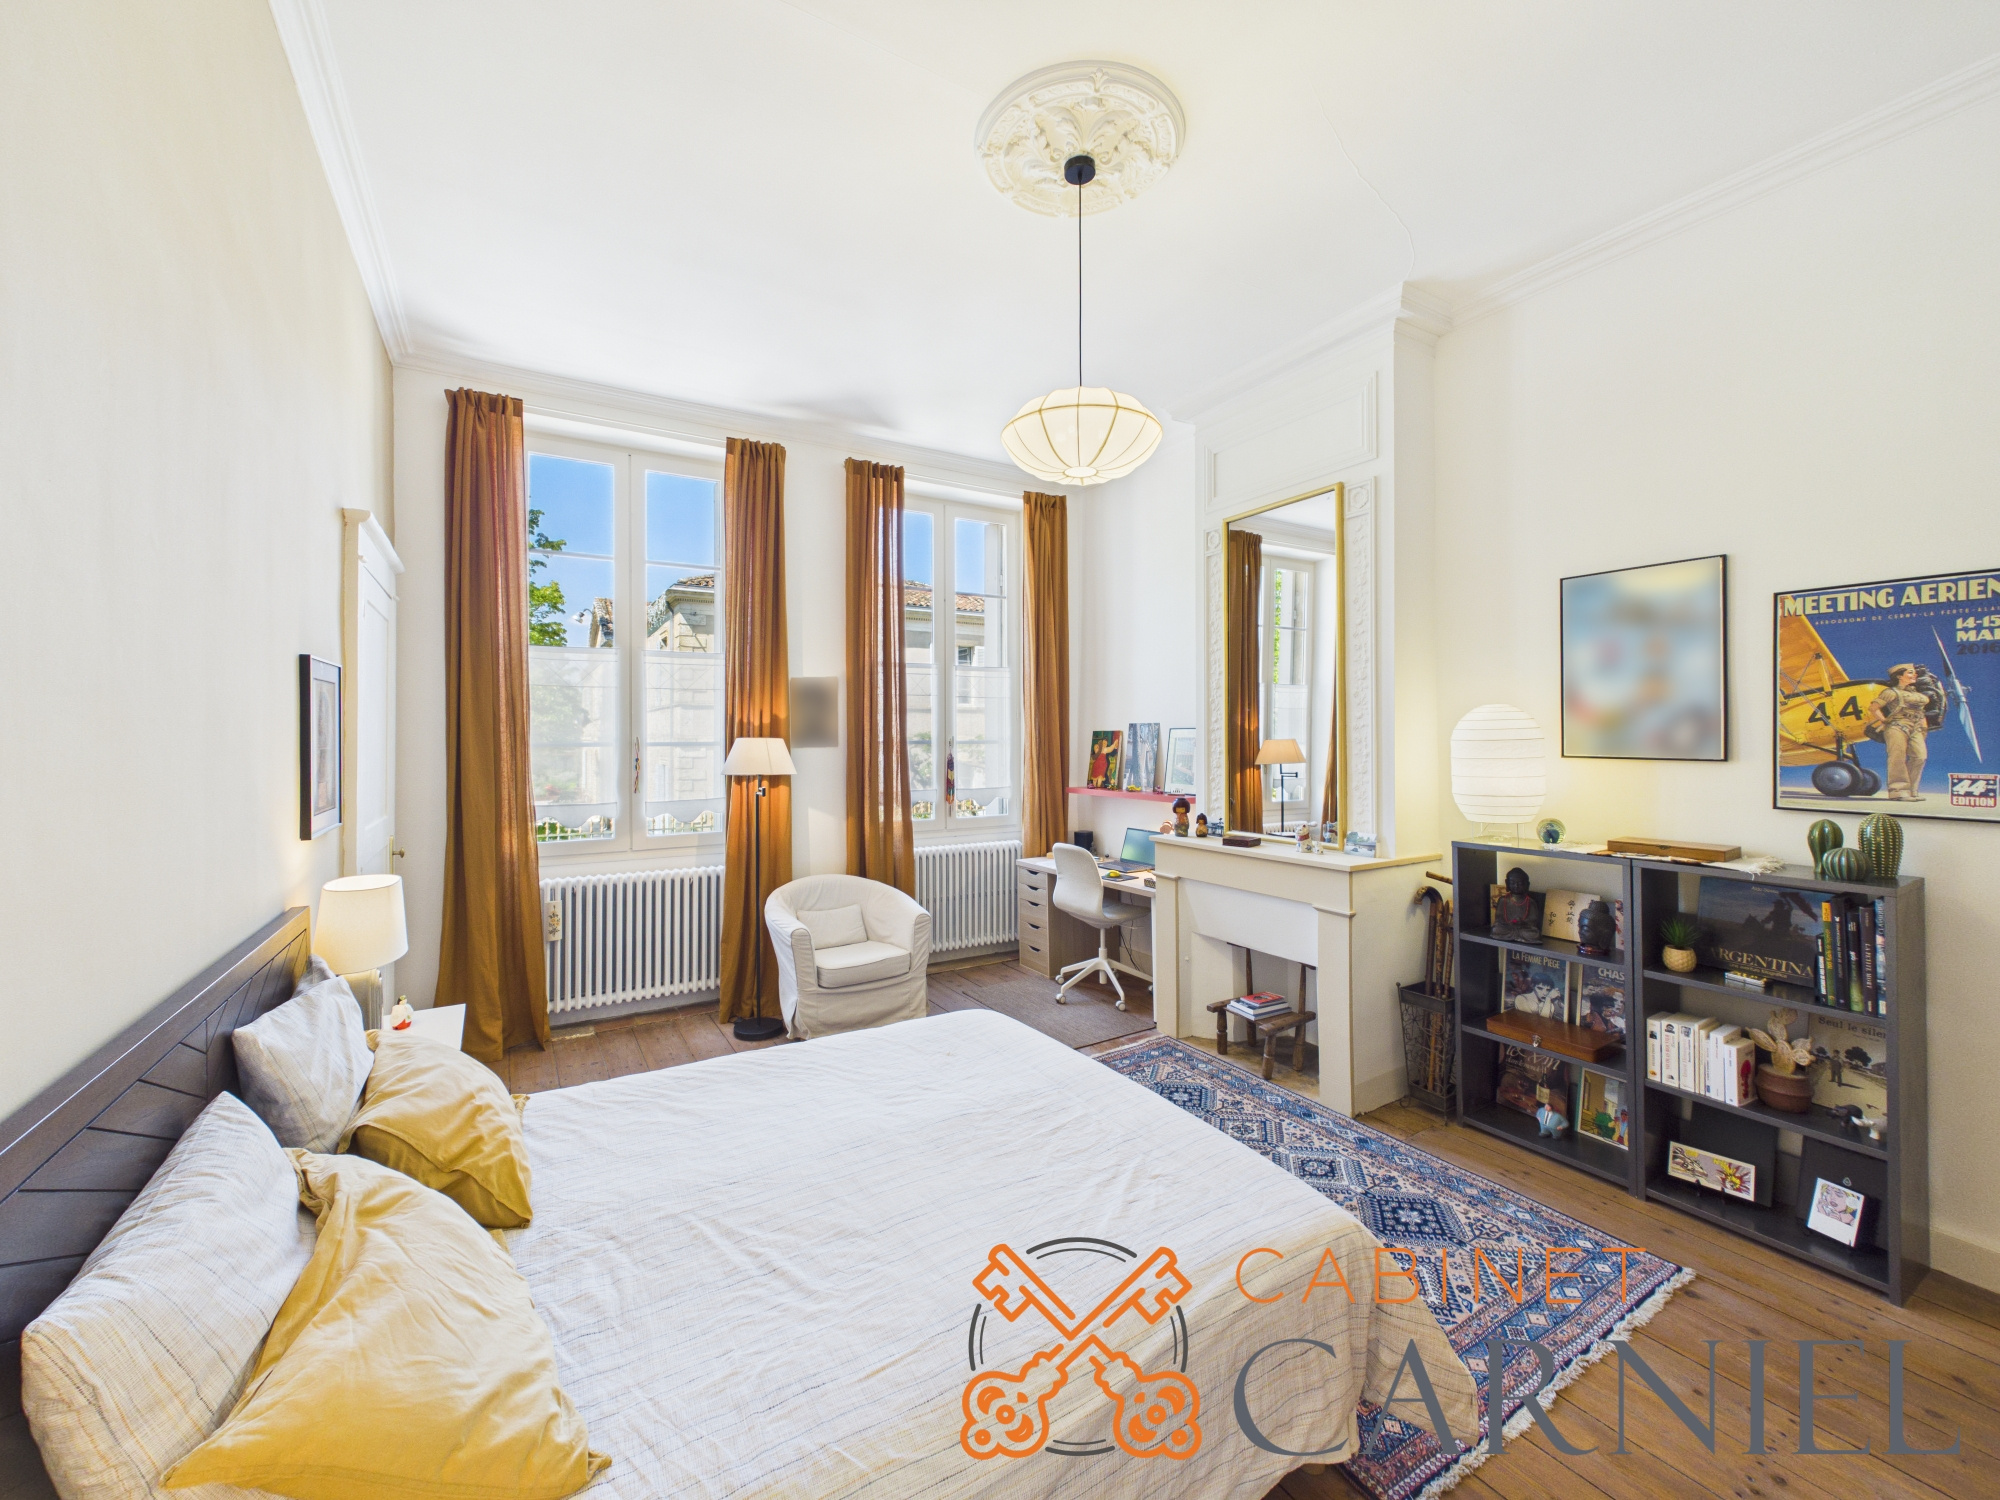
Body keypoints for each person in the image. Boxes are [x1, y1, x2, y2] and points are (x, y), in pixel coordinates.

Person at [1866, 664, 1931, 801]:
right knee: (1897, 758)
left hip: (1916, 727)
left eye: (1914, 673)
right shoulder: (1891, 692)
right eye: (1910, 672)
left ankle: (1912, 790)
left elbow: (1921, 713)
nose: (1914, 675)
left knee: (1920, 757)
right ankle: (1898, 792)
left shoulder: (1917, 694)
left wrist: (1924, 729)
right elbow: (1873, 708)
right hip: (1897, 726)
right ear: (1899, 676)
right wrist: (1884, 721)